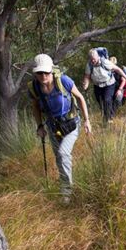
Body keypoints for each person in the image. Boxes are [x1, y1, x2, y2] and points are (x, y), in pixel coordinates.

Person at [29, 53, 91, 203]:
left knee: (63, 154)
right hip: (52, 127)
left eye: (46, 72)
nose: (43, 75)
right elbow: (35, 107)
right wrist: (39, 126)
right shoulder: (34, 87)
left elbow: (80, 98)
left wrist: (87, 121)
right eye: (39, 73)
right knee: (59, 158)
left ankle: (67, 193)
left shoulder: (63, 81)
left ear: (51, 70)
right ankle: (66, 185)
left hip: (71, 124)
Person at [82, 48, 126, 123]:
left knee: (107, 100)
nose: (93, 61)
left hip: (109, 84)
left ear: (98, 57)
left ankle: (108, 119)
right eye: (91, 59)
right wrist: (86, 84)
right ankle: (106, 116)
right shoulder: (89, 65)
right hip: (97, 85)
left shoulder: (105, 62)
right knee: (100, 102)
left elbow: (118, 69)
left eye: (94, 59)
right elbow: (87, 76)